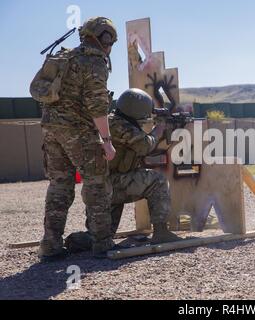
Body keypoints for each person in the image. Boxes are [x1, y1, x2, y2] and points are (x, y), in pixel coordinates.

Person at [38, 17, 118, 261]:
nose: (110, 45)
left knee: (60, 184)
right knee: (96, 183)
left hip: (51, 128)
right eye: (110, 40)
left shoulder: (65, 56)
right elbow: (97, 105)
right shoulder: (94, 61)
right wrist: (106, 140)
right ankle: (102, 244)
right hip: (77, 131)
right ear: (104, 38)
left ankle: (51, 246)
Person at [64, 89, 182, 253]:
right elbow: (144, 146)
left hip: (103, 188)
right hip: (110, 187)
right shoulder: (120, 125)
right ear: (135, 109)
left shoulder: (111, 121)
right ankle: (161, 232)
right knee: (157, 180)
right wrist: (160, 128)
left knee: (102, 237)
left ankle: (77, 241)